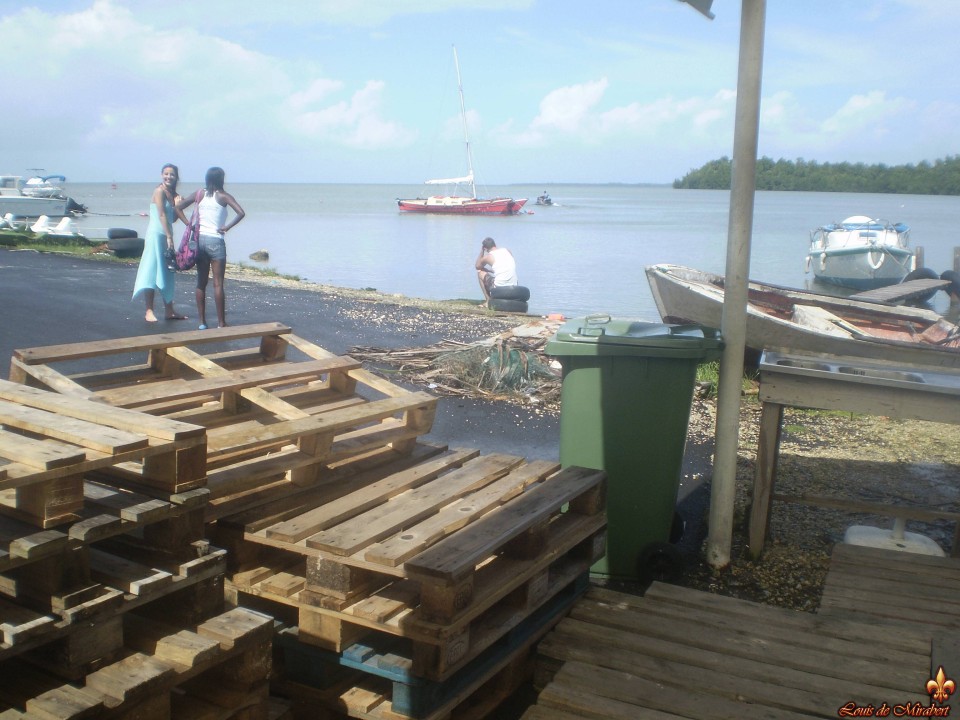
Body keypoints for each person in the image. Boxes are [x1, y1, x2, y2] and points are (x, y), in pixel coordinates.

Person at [178, 167, 245, 329]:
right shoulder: (223, 196)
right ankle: (221, 323)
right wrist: (226, 227)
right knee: (218, 284)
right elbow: (241, 213)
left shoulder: (199, 194)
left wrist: (189, 225)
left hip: (199, 241)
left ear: (207, 179)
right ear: (221, 179)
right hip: (215, 241)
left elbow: (178, 207)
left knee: (201, 283)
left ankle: (202, 322)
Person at [132, 163, 190, 322]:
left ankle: (169, 310)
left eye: (172, 174)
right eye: (166, 174)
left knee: (168, 271)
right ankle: (149, 310)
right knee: (151, 270)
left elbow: (173, 218)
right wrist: (169, 236)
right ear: (161, 175)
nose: (169, 177)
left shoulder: (175, 195)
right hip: (156, 235)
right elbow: (162, 215)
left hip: (166, 235)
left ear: (176, 177)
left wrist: (177, 206)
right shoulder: (159, 191)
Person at [475, 236, 518, 307]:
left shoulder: (489, 256)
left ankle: (488, 301)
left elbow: (477, 266)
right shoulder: (507, 250)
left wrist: (482, 251)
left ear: (485, 248)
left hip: (499, 288)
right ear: (495, 244)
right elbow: (505, 267)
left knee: (480, 272)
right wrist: (489, 270)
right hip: (514, 286)